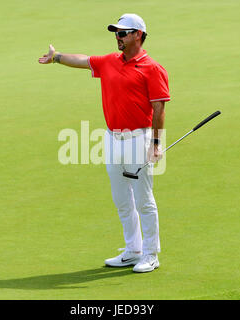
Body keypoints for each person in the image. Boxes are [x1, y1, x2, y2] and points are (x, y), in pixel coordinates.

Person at [38, 13, 170, 273]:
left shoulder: (152, 68)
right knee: (121, 198)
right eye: (116, 33)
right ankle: (132, 250)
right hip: (112, 139)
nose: (117, 37)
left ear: (138, 35)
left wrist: (155, 143)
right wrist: (56, 57)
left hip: (138, 139)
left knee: (143, 199)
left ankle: (151, 254)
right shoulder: (110, 61)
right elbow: (85, 61)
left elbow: (159, 109)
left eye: (122, 33)